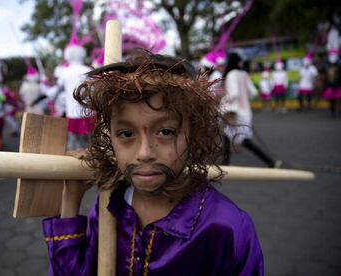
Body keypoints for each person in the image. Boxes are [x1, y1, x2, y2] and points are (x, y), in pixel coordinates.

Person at [42, 51, 264, 275]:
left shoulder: (228, 228)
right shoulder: (109, 204)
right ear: (110, 137)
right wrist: (71, 198)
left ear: (194, 133)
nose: (144, 153)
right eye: (126, 133)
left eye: (166, 132)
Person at [221, 52, 281, 168]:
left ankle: (270, 162)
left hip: (235, 113)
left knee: (243, 141)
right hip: (246, 112)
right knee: (227, 137)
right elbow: (253, 92)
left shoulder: (231, 74)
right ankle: (225, 163)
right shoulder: (244, 74)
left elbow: (234, 94)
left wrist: (222, 100)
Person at [56, 42, 94, 150]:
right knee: (90, 144)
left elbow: (58, 89)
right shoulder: (88, 70)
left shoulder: (64, 71)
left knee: (73, 144)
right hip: (87, 111)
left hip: (72, 111)